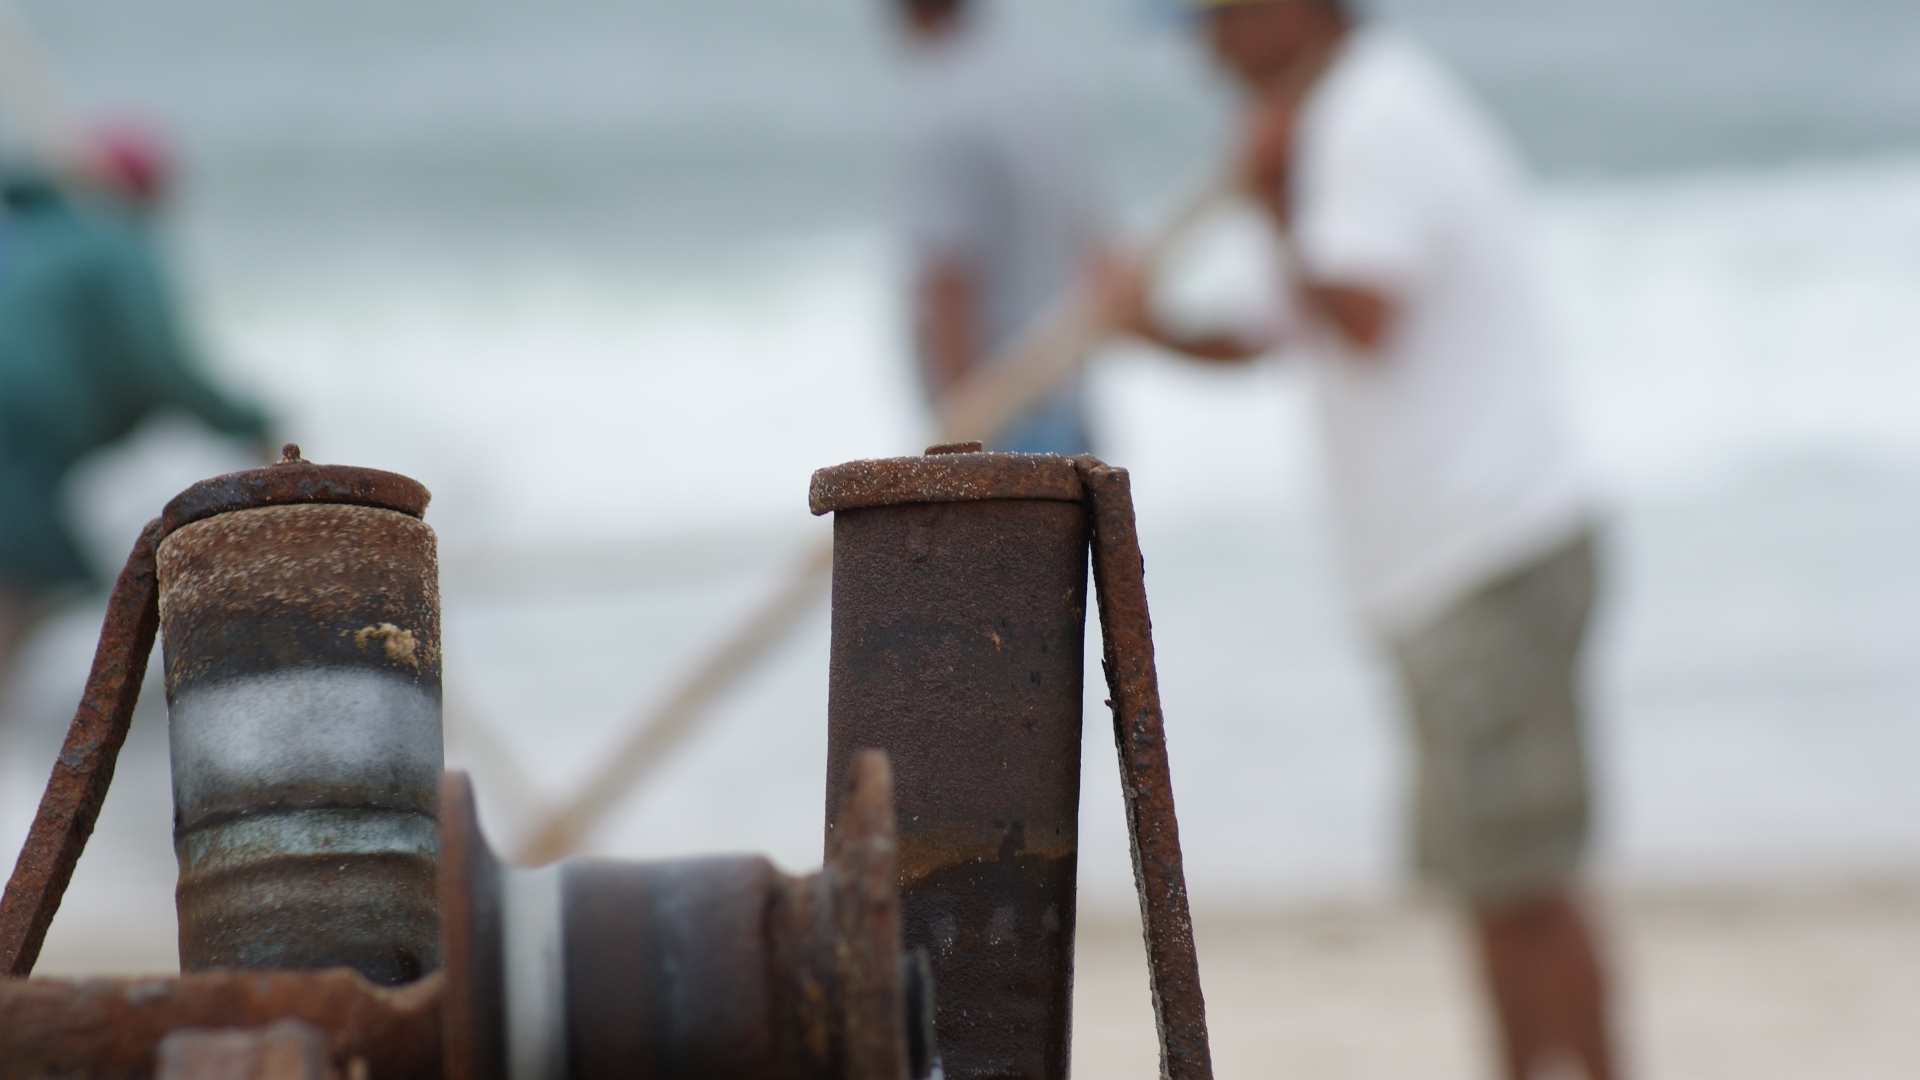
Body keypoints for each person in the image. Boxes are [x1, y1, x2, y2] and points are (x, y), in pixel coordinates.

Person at [1103, 2, 1620, 1077]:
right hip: (1444, 567)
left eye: (1217, 24)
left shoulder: (1371, 115)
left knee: (1526, 882)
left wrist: (1275, 200)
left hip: (1488, 545)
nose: (1207, 55)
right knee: (1493, 879)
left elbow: (1364, 311)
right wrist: (1150, 322)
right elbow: (1269, 330)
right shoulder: (1324, 127)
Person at [0, 127, 273, 695]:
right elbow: (161, 365)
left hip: (22, 433)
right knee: (30, 580)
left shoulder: (35, 236)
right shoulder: (119, 246)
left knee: (31, 578)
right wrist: (246, 423)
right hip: (18, 436)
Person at [892, 0, 1104, 454]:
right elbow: (1091, 243)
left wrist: (960, 444)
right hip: (1061, 392)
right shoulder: (1034, 87)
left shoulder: (946, 108)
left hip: (1001, 414)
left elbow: (948, 279)